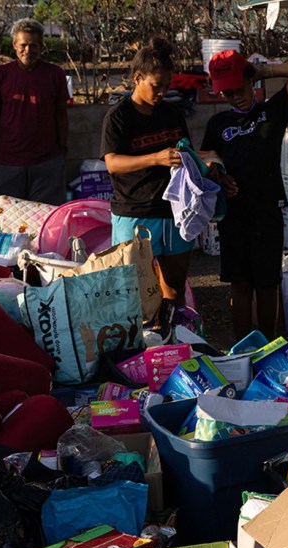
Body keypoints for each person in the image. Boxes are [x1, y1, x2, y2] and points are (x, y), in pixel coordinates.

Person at [201, 51, 288, 342]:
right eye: (227, 92)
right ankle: (242, 347)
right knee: (239, 284)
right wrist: (219, 177)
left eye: (239, 88)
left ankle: (268, 346)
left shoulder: (272, 111)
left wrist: (260, 70)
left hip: (266, 210)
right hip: (233, 214)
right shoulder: (217, 124)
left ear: (251, 82)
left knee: (267, 284)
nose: (235, 96)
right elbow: (207, 159)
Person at [101, 39, 191, 330]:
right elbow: (112, 162)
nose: (162, 92)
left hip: (174, 212)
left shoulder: (172, 113)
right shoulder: (119, 117)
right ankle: (137, 350)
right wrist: (155, 158)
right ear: (137, 78)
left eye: (167, 85)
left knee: (174, 288)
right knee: (133, 292)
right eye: (156, 86)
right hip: (134, 211)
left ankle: (173, 340)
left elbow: (185, 153)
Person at [0, 18, 68, 205]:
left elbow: (62, 114)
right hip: (8, 161)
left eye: (34, 45)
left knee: (46, 219)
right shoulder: (0, 75)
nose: (28, 50)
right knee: (8, 220)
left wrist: (62, 152)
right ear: (14, 45)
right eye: (23, 45)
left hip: (47, 161)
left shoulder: (55, 74)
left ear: (41, 46)